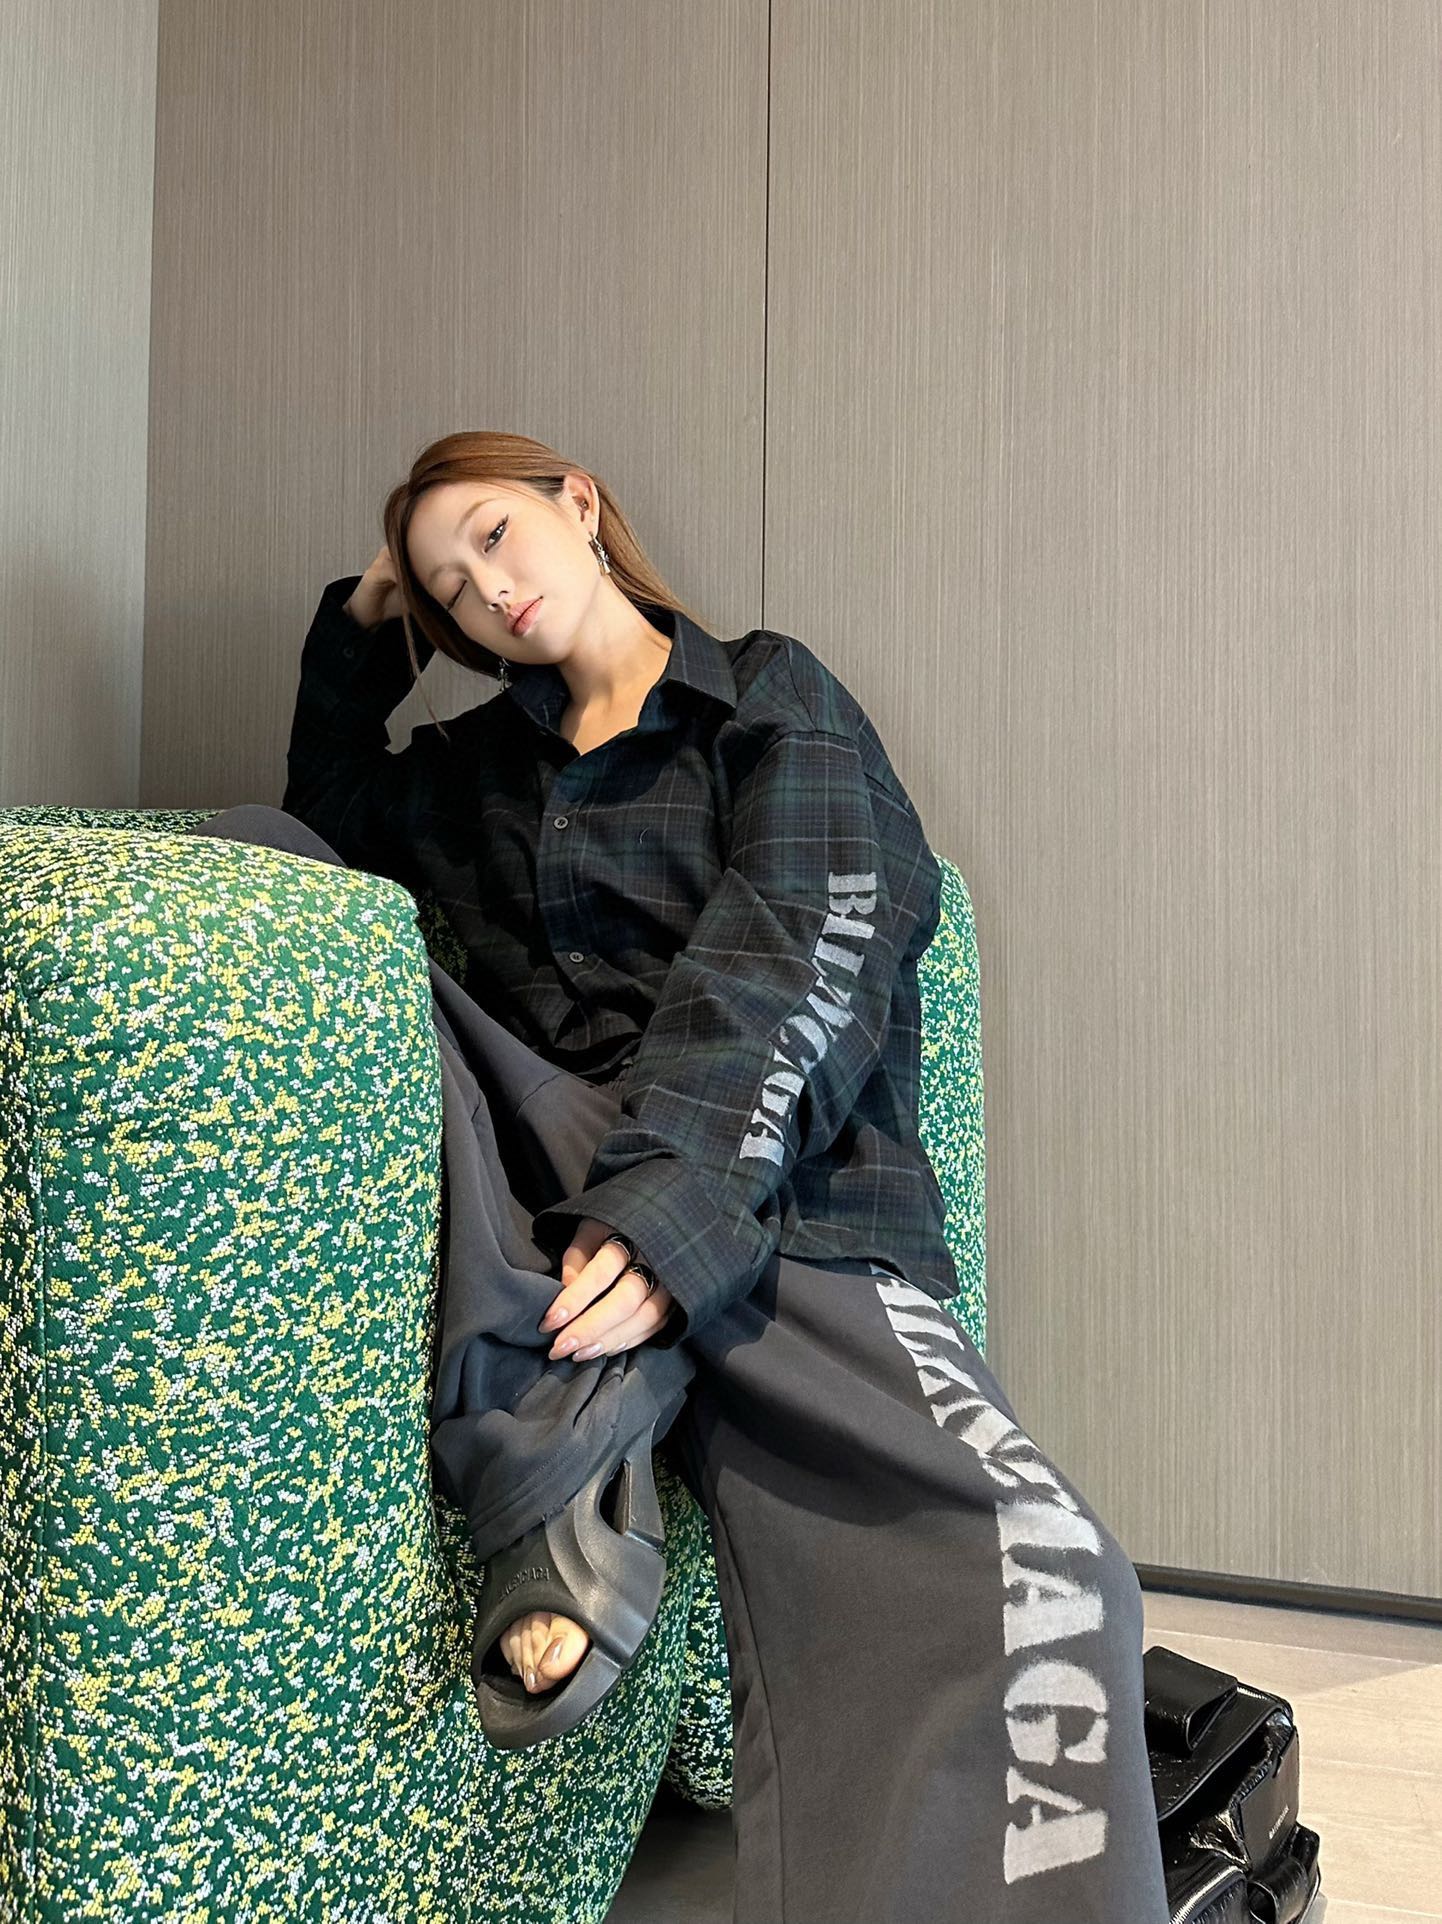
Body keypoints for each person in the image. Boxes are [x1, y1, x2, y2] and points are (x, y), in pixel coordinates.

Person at [194, 430, 1170, 1921]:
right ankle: (568, 1438)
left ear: (577, 503)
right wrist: (368, 619)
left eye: (495, 536)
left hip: (784, 1194)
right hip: (542, 1179)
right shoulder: (470, 775)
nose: (485, 592)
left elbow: (803, 943)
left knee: (1049, 1578)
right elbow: (323, 807)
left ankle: (569, 1437)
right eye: (447, 588)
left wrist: (672, 1213)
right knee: (271, 861)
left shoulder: (768, 700)